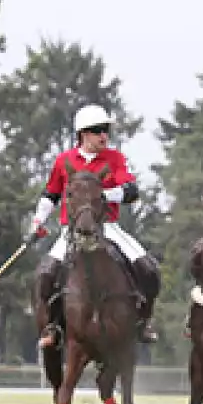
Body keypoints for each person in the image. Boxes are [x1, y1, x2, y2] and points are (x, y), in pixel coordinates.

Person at [29, 104, 159, 347]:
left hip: (107, 226)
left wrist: (103, 196)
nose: (104, 136)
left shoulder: (114, 158)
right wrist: (38, 221)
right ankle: (51, 327)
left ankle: (143, 321)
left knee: (148, 268)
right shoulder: (64, 160)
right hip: (71, 229)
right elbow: (51, 195)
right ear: (83, 134)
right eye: (98, 130)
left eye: (106, 130)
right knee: (44, 274)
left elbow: (131, 191)